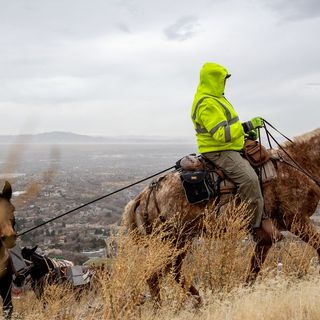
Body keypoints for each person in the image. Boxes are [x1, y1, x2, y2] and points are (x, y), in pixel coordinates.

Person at [191, 62, 282, 243]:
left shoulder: (216, 98)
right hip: (218, 151)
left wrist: (244, 134)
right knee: (249, 179)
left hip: (231, 145)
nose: (225, 83)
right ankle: (256, 227)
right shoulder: (207, 103)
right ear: (214, 80)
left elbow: (230, 128)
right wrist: (247, 126)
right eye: (223, 80)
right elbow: (221, 134)